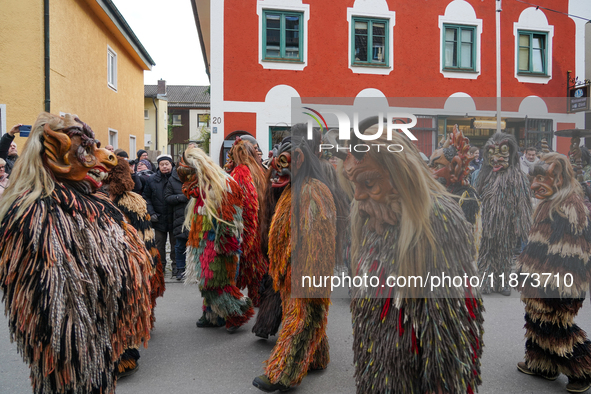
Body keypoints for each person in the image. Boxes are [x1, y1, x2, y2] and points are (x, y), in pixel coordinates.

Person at [0, 113, 152, 393]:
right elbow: (54, 303)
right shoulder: (38, 214)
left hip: (100, 335)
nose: (104, 156)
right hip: (73, 351)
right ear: (55, 153)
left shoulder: (88, 200)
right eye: (85, 149)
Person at [347, 122, 484, 394]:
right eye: (354, 183)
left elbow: (451, 335)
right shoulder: (376, 217)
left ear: (399, 175)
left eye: (369, 183)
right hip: (380, 366)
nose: (358, 195)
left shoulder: (437, 221)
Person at [253, 125, 337, 392]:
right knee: (303, 314)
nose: (275, 169)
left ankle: (282, 372)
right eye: (274, 161)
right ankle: (317, 357)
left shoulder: (313, 191)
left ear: (300, 159)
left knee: (302, 317)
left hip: (304, 272)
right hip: (288, 272)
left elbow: (317, 243)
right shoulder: (293, 189)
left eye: (283, 161)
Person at [516, 153, 591, 393]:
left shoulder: (570, 206)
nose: (534, 185)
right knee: (535, 321)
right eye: (533, 178)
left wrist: (554, 284)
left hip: (555, 283)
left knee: (555, 328)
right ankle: (543, 365)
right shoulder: (549, 203)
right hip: (537, 278)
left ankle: (584, 369)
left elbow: (570, 254)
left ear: (558, 178)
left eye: (541, 178)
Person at [177, 147, 254, 331]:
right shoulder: (202, 186)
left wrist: (226, 242)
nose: (187, 180)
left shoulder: (224, 183)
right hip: (201, 241)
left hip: (218, 243)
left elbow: (233, 217)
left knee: (216, 281)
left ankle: (236, 312)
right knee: (207, 281)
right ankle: (212, 315)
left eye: (189, 174)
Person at [102, 159, 166, 378]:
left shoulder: (132, 201)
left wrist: (148, 261)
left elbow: (145, 233)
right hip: (106, 262)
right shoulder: (97, 198)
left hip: (129, 261)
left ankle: (125, 357)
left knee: (125, 309)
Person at [475, 132, 532, 295]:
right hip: (487, 224)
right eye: (491, 153)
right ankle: (485, 281)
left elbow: (523, 204)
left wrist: (520, 225)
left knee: (505, 255)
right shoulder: (484, 176)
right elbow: (477, 197)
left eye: (502, 152)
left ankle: (503, 283)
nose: (495, 159)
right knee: (485, 254)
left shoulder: (518, 178)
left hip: (507, 226)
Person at [224, 138, 267, 306]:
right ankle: (257, 296)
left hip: (248, 228)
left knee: (244, 264)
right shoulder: (257, 170)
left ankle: (235, 303)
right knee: (256, 265)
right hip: (259, 225)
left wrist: (245, 233)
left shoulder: (241, 172)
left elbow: (247, 204)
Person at [429, 125, 482, 249]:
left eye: (437, 166)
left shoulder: (467, 197)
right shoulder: (438, 192)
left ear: (455, 167)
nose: (431, 172)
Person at [143, 154, 176, 277]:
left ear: (171, 164)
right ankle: (160, 267)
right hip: (159, 217)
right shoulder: (152, 179)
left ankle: (176, 267)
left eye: (167, 164)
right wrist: (151, 213)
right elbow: (146, 197)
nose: (164, 167)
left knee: (175, 244)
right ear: (158, 166)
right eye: (162, 165)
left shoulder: (176, 178)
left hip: (174, 217)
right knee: (159, 244)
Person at [164, 163, 189, 281]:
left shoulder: (197, 178)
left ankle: (195, 270)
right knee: (179, 246)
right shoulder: (172, 180)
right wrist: (180, 197)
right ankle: (180, 269)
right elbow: (167, 197)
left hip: (195, 216)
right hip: (179, 217)